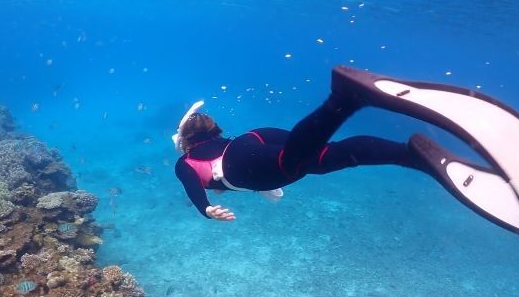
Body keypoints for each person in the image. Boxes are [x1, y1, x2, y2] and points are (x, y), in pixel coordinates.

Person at [173, 88, 431, 220]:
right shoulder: (218, 142)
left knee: (294, 162)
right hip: (252, 138)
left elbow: (193, 188)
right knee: (324, 155)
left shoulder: (184, 163)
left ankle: (342, 101)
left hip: (240, 165)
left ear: (186, 140)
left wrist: (206, 210)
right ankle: (408, 154)